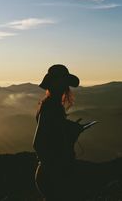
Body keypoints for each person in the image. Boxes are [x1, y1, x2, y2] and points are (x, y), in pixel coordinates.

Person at [33, 64, 83, 200]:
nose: (64, 88)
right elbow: (37, 143)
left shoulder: (50, 105)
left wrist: (68, 129)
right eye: (63, 84)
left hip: (51, 172)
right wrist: (54, 170)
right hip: (53, 174)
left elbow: (52, 135)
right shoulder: (51, 107)